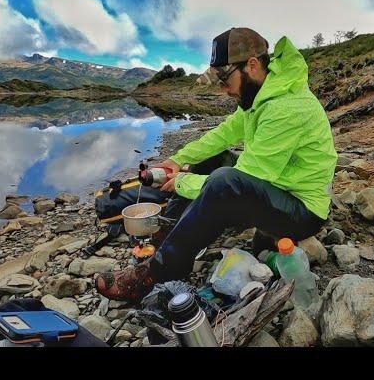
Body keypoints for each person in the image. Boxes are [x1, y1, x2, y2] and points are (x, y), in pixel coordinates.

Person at [96, 27, 338, 302]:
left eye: (224, 79)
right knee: (212, 159)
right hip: (279, 190)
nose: (223, 90)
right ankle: (170, 235)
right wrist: (179, 160)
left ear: (252, 65)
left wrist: (183, 182)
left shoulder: (286, 108)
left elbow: (246, 175)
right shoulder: (261, 96)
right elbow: (223, 135)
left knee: (225, 180)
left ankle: (157, 273)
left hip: (302, 212)